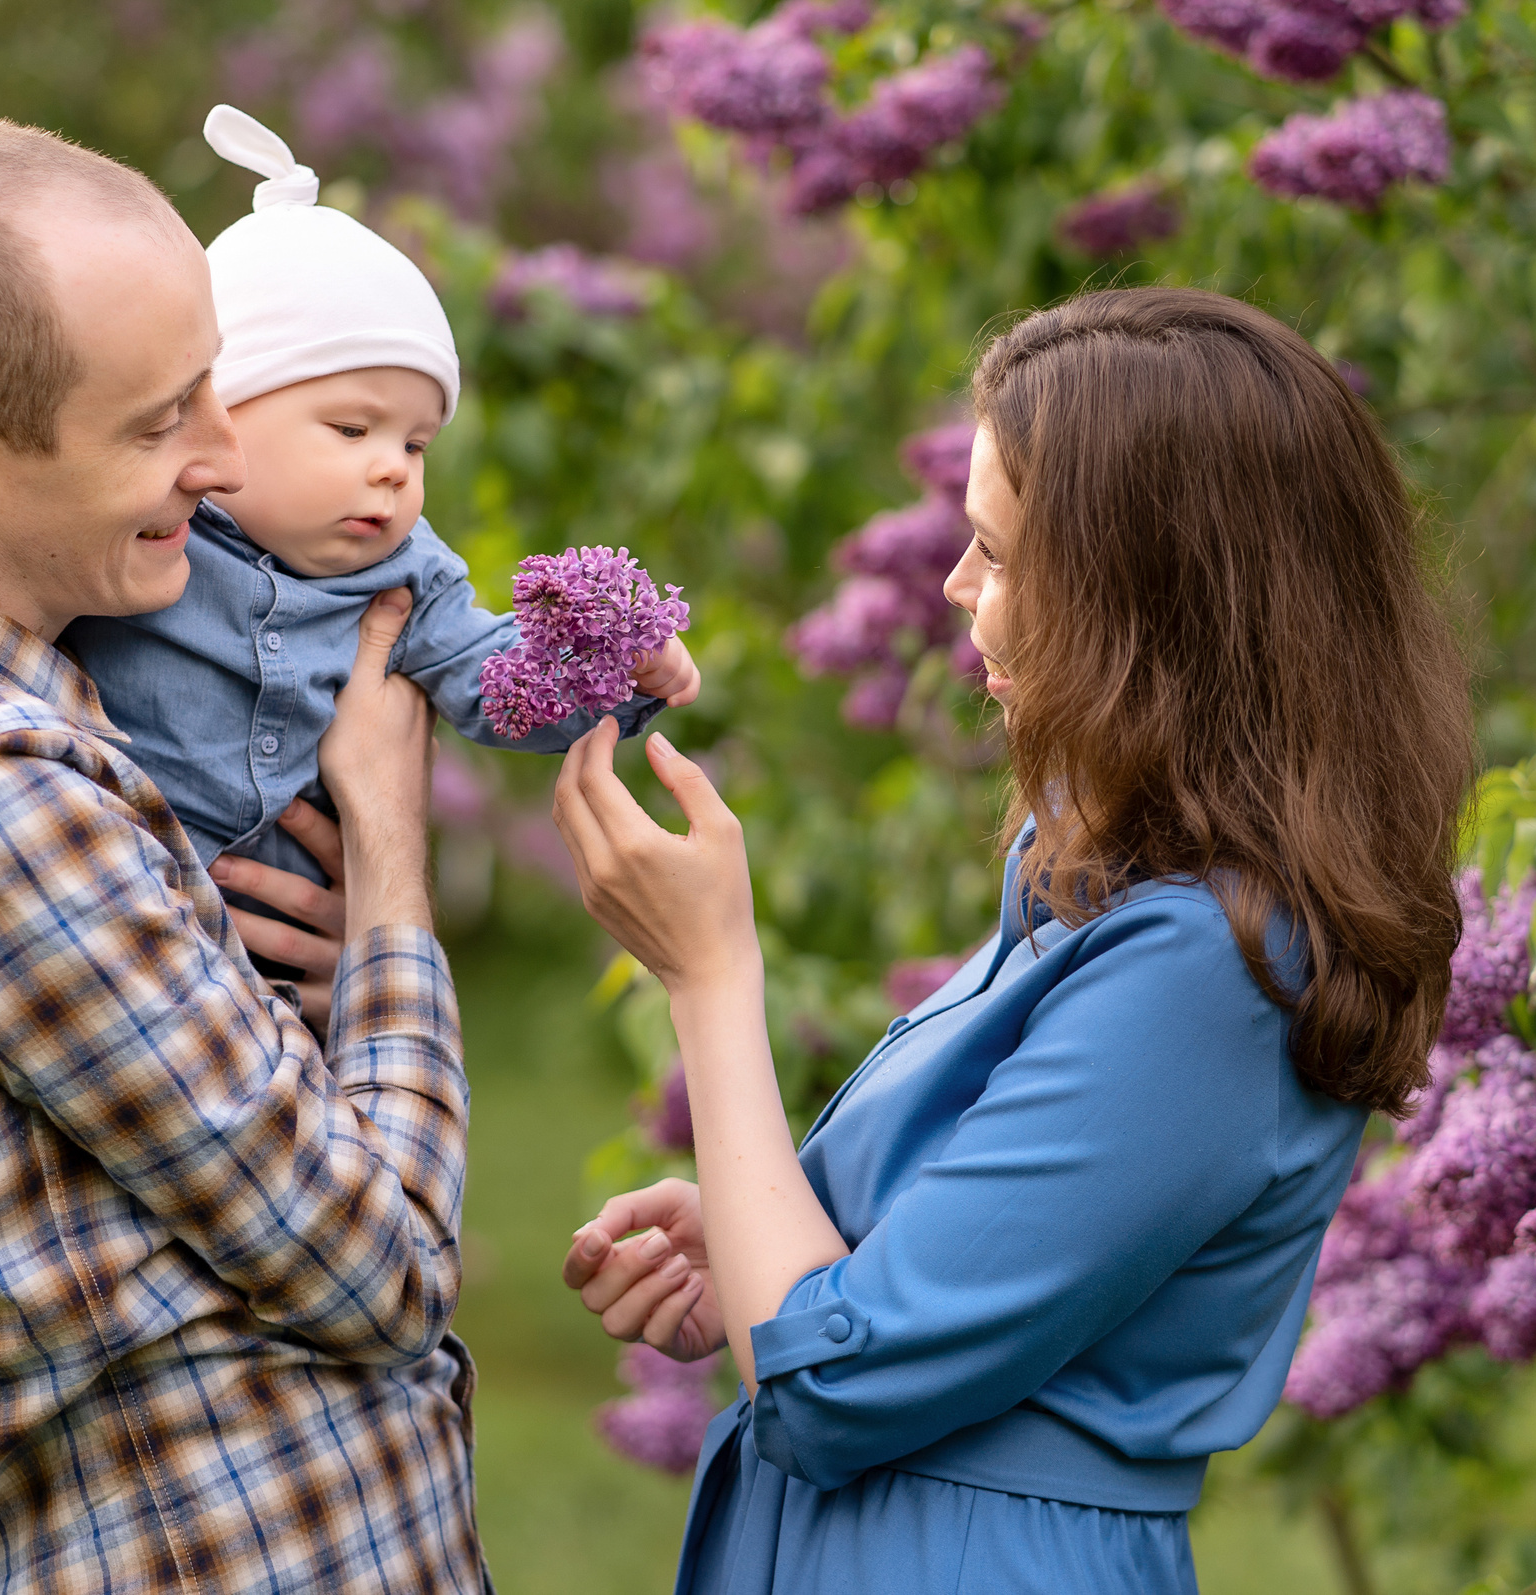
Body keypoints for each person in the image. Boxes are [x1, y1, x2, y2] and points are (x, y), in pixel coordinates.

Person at [553, 287, 1476, 1594]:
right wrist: (765, 1246)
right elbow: (937, 1293)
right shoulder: (1100, 911)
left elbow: (833, 1380)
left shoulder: (1213, 971)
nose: (955, 585)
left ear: (1145, 609)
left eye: (998, 550)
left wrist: (709, 974)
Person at [0, 116, 486, 1593]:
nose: (218, 454)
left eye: (216, 383)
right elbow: (383, 1270)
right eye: (156, 423)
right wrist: (388, 869)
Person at [63, 104, 699, 959]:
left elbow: (495, 683)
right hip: (116, 904)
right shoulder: (144, 536)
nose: (395, 467)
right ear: (221, 412)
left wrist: (614, 670)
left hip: (285, 953)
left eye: (415, 442)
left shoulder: (404, 574)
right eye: (353, 431)